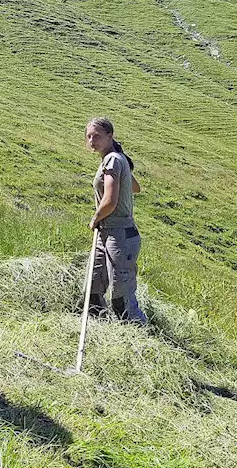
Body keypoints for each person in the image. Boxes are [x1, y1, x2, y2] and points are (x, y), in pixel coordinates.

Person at [85, 116, 147, 324]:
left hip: (119, 235)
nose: (92, 141)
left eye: (97, 136)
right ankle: (101, 328)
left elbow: (110, 201)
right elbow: (135, 187)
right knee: (93, 288)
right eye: (89, 137)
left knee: (122, 299)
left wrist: (95, 218)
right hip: (108, 232)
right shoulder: (116, 159)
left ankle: (140, 336)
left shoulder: (112, 160)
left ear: (110, 136)